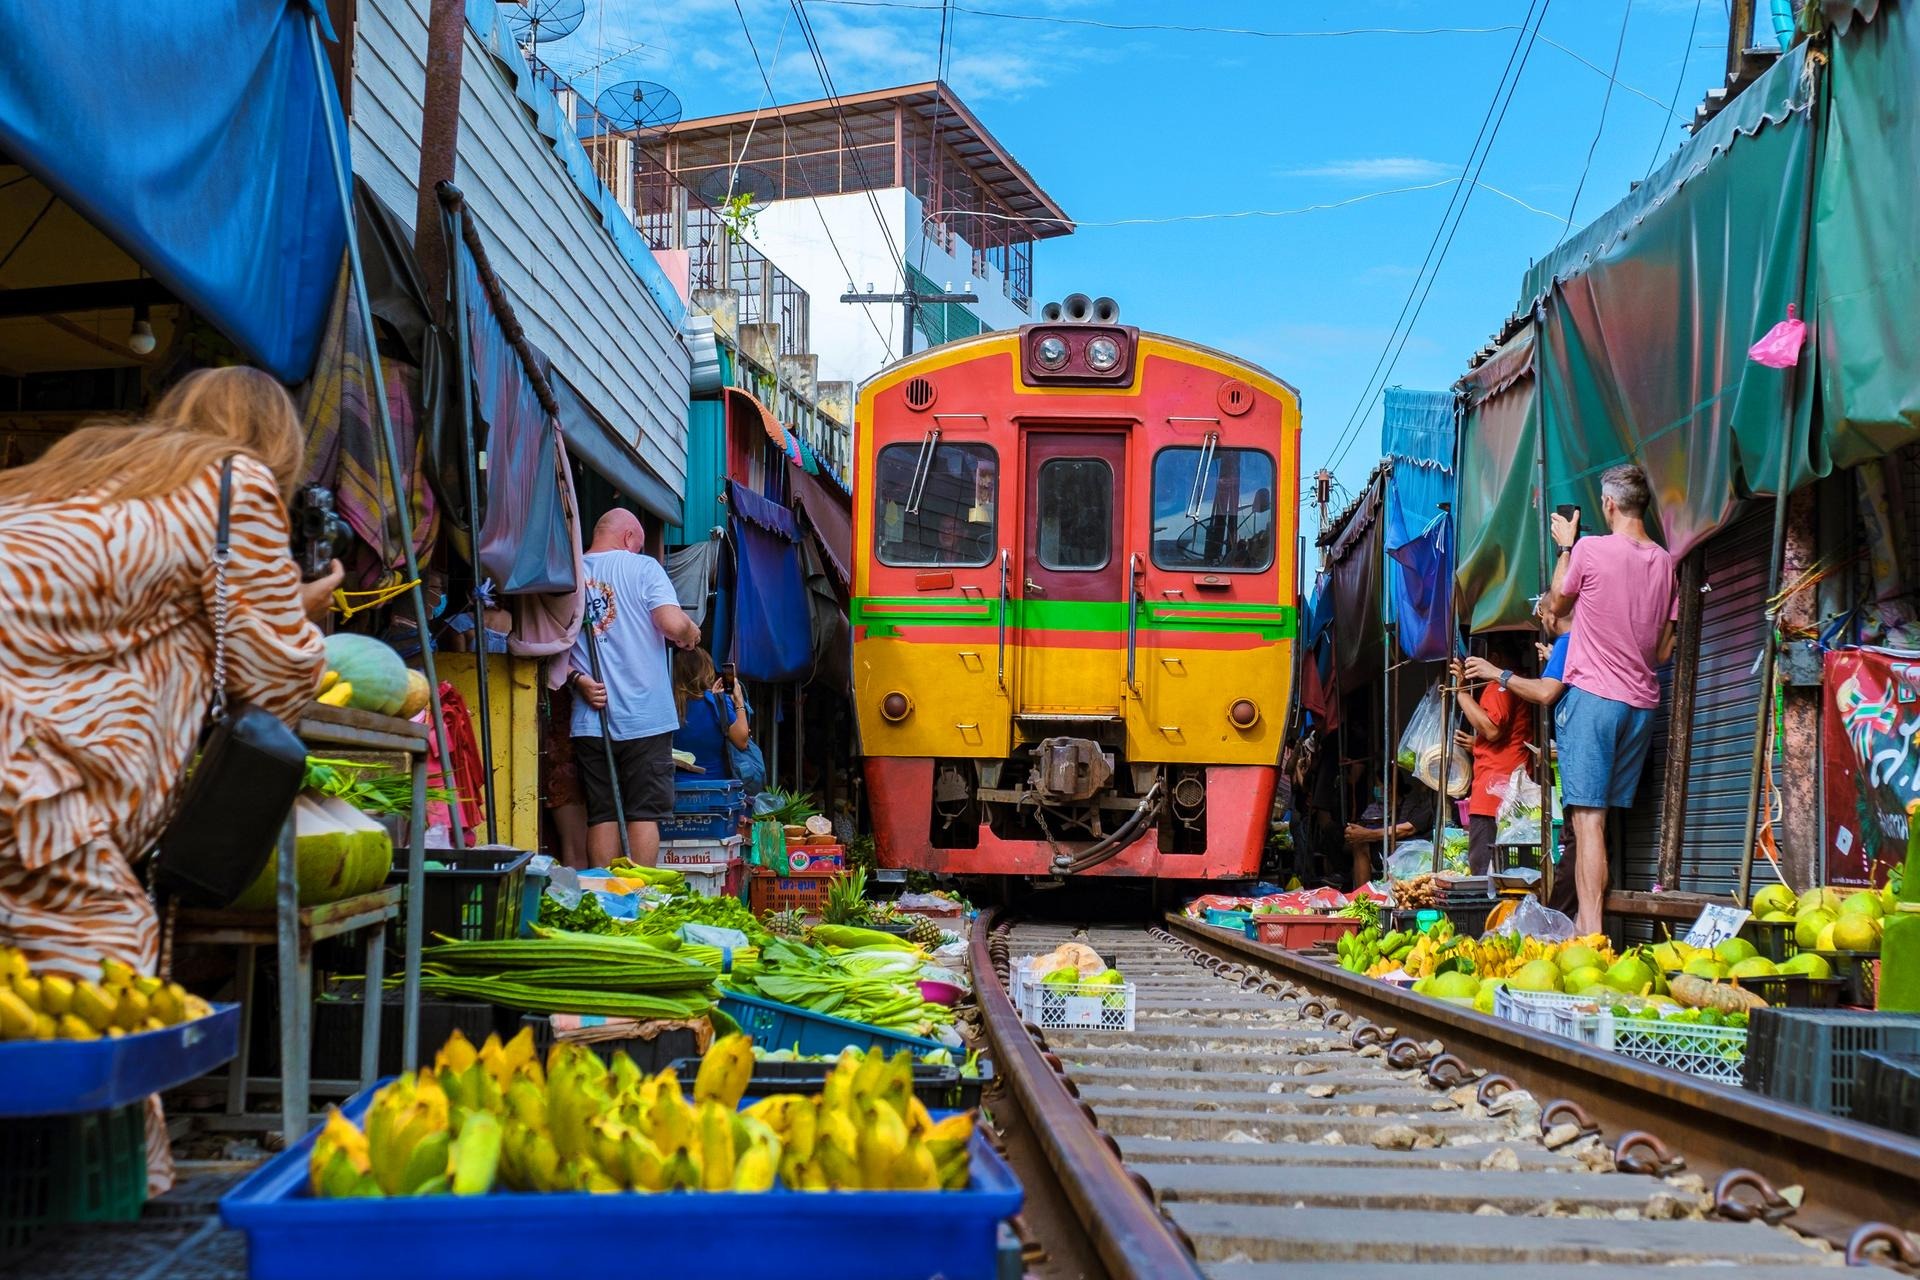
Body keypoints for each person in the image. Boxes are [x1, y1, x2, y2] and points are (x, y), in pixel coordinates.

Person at [0, 367, 338, 1194]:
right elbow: (274, 677)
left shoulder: (83, 463)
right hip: (30, 778)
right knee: (102, 992)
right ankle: (115, 1202)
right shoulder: (234, 483)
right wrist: (310, 616)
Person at [1544, 464, 1678, 935]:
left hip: (1595, 700)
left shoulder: (1589, 549)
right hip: (1642, 705)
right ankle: (1588, 922)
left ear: (1608, 505)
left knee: (1588, 822)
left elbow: (1555, 608)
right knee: (1603, 822)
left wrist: (1565, 545)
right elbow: (1664, 649)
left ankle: (1591, 935)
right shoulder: (1664, 562)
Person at [564, 509, 700, 868]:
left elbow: (551, 641)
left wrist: (577, 680)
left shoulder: (571, 573)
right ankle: (639, 900)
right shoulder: (643, 568)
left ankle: (604, 900)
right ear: (629, 539)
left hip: (592, 719)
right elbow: (671, 623)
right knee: (643, 813)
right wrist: (690, 633)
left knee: (603, 813)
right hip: (645, 716)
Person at [1449, 634, 1535, 876]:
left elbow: (1492, 729)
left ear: (1494, 658)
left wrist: (1462, 693)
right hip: (1506, 792)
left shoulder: (1501, 685)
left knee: (1484, 871)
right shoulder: (1516, 682)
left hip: (1493, 796)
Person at [1343, 776, 1438, 890]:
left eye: (1378, 785)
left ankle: (1363, 894)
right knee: (1358, 845)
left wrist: (1367, 834)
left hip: (1411, 851)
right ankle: (1361, 895)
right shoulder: (1375, 808)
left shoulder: (1423, 804)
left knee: (1362, 845)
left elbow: (1407, 829)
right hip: (1392, 846)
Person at [672, 647, 750, 782]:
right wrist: (738, 701)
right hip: (715, 788)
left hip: (675, 786)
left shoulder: (668, 704)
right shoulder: (717, 703)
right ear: (707, 670)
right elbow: (742, 741)